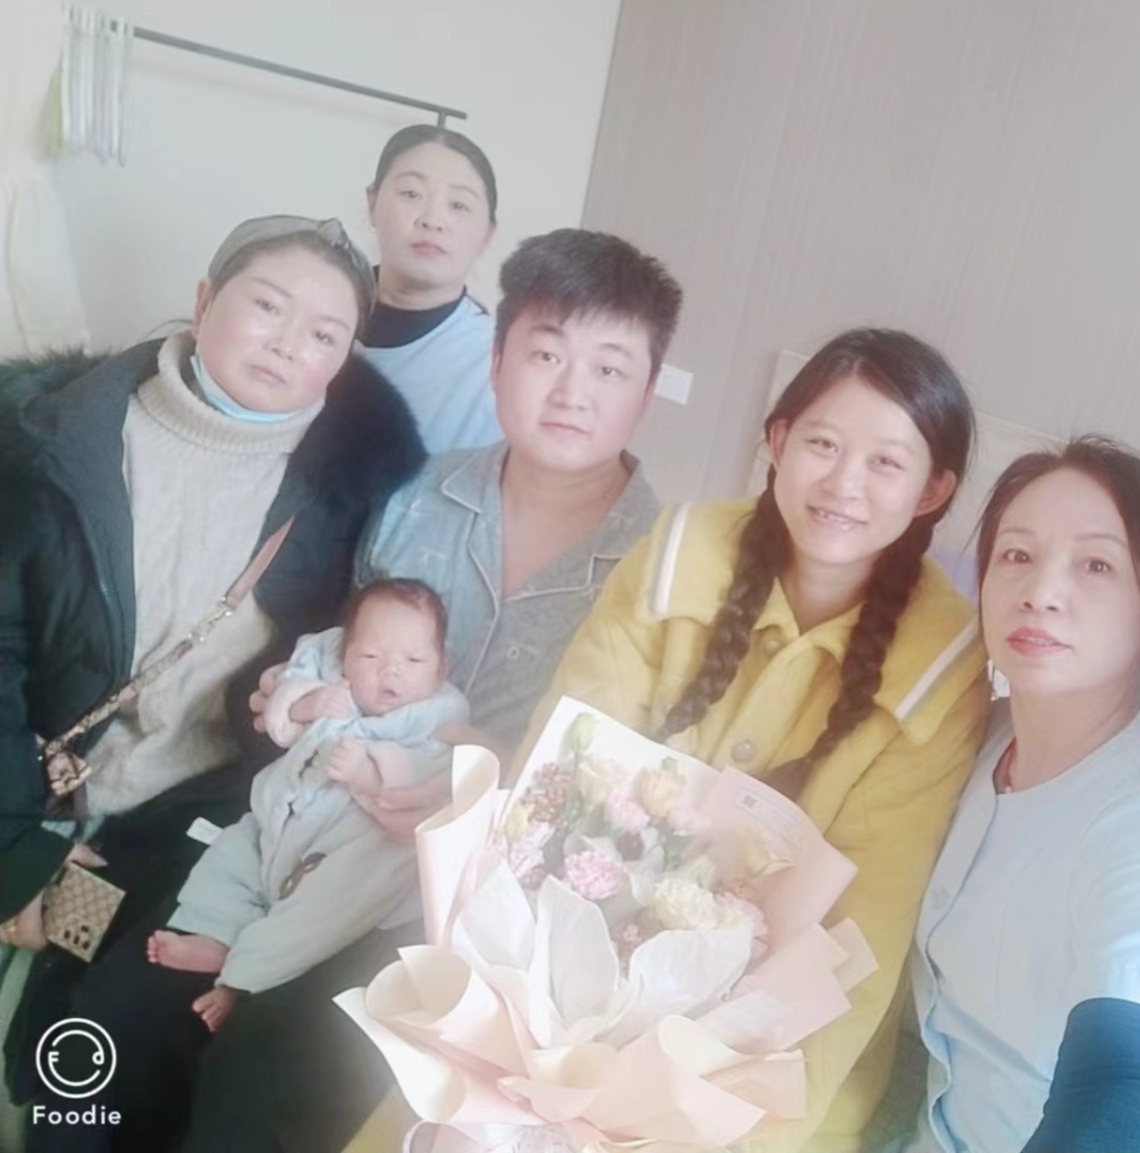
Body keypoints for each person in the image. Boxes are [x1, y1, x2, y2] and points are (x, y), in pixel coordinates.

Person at [411, 328, 990, 1153]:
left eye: (886, 463)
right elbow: (555, 783)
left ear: (933, 489)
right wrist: (505, 1013)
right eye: (822, 444)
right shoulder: (678, 557)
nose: (843, 484)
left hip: (767, 1061)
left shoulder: (942, 671)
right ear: (777, 442)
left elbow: (863, 935)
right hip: (554, 993)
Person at [181, 228, 683, 1153]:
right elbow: (334, 654)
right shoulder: (413, 496)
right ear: (496, 363)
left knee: (270, 1083)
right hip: (312, 828)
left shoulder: (670, 573)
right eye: (545, 354)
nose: (572, 392)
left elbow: (633, 798)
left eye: (611, 368)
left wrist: (488, 790)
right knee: (136, 1028)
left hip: (480, 917)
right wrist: (289, 696)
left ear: (647, 393)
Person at [0, 215, 423, 1138]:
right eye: (267, 306)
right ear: (203, 303)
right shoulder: (46, 437)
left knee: (104, 1049)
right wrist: (18, 852)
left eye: (325, 335)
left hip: (179, 818)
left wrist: (285, 707)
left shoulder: (346, 497)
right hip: (18, 784)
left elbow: (301, 693)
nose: (289, 344)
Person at [905, 439, 1140, 1153]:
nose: (1041, 592)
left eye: (1096, 565)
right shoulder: (976, 736)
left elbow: (1130, 1083)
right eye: (1016, 555)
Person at [148, 578, 467, 1033]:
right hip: (282, 821)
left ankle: (243, 977)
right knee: (233, 854)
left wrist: (368, 772)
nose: (391, 672)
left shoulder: (436, 718)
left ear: (440, 670)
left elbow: (430, 780)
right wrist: (307, 704)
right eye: (370, 657)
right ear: (345, 658)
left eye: (413, 660)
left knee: (315, 916)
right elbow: (281, 720)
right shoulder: (331, 686)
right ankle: (216, 934)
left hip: (352, 848)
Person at [359, 125, 500, 454]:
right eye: (411, 194)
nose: (432, 220)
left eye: (459, 205)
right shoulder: (311, 313)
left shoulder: (497, 367)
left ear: (487, 234)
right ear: (372, 203)